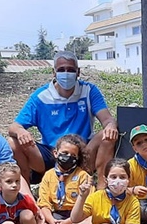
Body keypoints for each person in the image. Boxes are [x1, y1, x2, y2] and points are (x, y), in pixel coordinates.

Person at [8, 51, 119, 188]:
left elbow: (108, 120)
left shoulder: (89, 91)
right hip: (51, 154)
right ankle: (25, 194)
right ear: (54, 72)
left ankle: (101, 191)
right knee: (13, 142)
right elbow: (14, 126)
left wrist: (110, 125)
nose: (66, 73)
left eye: (70, 70)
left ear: (78, 72)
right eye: (61, 70)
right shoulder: (41, 97)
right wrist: (20, 132)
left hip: (83, 154)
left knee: (106, 135)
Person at [37, 134, 94, 224]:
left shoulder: (83, 176)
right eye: (65, 153)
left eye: (73, 155)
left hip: (76, 217)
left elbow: (89, 205)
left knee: (93, 221)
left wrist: (68, 222)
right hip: (56, 216)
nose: (68, 157)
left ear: (77, 158)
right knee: (38, 221)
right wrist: (52, 222)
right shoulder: (48, 176)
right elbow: (44, 203)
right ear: (56, 153)